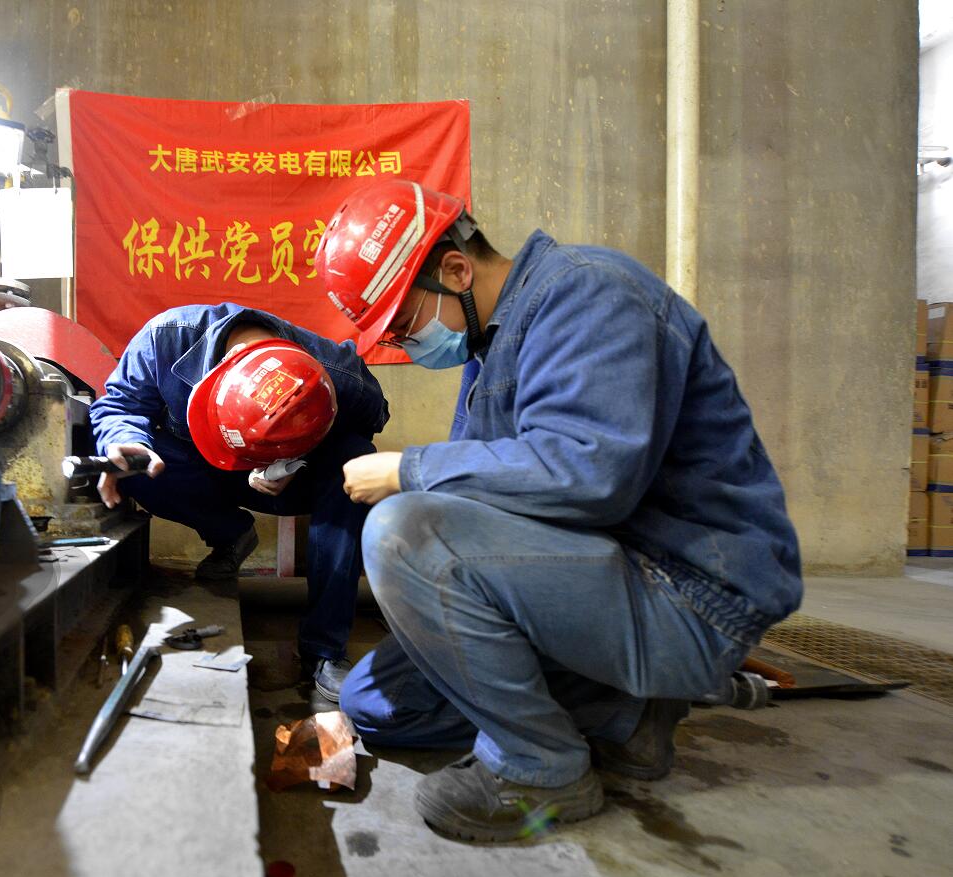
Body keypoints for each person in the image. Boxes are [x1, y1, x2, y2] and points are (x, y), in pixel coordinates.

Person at [313, 179, 802, 841]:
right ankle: (624, 715)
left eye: (405, 326)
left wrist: (408, 470)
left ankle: (539, 767)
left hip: (686, 590)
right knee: (375, 701)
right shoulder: (493, 347)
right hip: (602, 572)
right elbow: (494, 504)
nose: (409, 344)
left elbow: (590, 476)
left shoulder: (590, 295)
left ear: (455, 270)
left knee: (402, 533)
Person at [89, 302, 390, 700]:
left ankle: (325, 649)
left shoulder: (342, 374)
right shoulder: (166, 338)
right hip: (203, 463)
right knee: (130, 464)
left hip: (283, 475)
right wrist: (124, 439)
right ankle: (231, 534)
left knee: (356, 460)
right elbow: (120, 404)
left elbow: (371, 421)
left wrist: (296, 453)